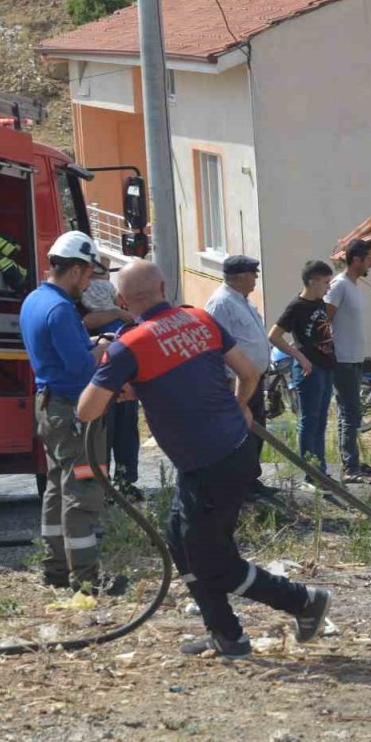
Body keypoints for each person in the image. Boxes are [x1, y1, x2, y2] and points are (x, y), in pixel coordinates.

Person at [78, 261, 331, 657]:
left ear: (122, 301)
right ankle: (226, 634)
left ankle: (302, 601)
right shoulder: (199, 319)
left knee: (214, 561)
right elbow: (248, 373)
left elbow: (87, 412)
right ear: (163, 287)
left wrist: (113, 372)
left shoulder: (129, 345)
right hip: (231, 452)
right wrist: (241, 407)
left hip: (208, 464)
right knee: (180, 540)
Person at [22, 231, 126, 595]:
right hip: (73, 413)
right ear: (76, 270)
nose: (88, 283)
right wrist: (106, 349)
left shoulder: (35, 300)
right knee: (82, 489)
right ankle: (86, 577)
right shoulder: (61, 309)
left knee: (56, 487)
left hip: (50, 407)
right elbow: (82, 367)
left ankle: (54, 569)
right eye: (87, 276)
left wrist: (93, 343)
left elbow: (66, 349)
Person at [205, 255, 282, 501]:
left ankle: (251, 479)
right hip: (236, 382)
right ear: (239, 277)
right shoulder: (221, 303)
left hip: (254, 378)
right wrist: (227, 383)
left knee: (256, 428)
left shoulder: (242, 301)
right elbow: (215, 347)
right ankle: (238, 484)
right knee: (241, 432)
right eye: (252, 274)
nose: (255, 279)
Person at [79, 253, 142, 500]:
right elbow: (85, 323)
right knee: (102, 435)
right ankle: (101, 487)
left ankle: (126, 482)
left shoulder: (113, 295)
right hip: (101, 380)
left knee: (126, 434)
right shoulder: (86, 299)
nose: (105, 279)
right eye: (100, 272)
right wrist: (115, 312)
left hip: (125, 378)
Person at [269, 260, 334, 481]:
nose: (328, 287)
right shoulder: (297, 306)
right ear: (313, 281)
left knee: (321, 420)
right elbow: (274, 336)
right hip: (309, 371)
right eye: (326, 282)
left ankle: (320, 471)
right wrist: (300, 356)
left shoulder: (320, 303)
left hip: (326, 367)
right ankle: (310, 474)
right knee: (309, 420)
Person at [326, 238, 371, 481]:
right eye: (369, 258)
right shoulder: (339, 286)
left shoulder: (354, 286)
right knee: (351, 412)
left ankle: (352, 461)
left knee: (350, 412)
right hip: (343, 359)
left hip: (354, 358)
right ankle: (350, 468)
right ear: (356, 259)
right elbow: (324, 320)